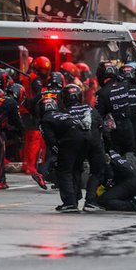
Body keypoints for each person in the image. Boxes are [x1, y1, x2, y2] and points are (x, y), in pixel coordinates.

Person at [45, 82, 105, 213]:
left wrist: (58, 150)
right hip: (94, 143)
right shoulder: (90, 109)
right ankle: (90, 201)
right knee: (96, 171)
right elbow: (102, 127)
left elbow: (57, 134)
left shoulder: (62, 113)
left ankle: (71, 202)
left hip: (73, 143)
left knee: (67, 170)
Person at [95, 61, 136, 155]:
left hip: (113, 131)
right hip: (129, 126)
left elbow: (98, 117)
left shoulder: (101, 93)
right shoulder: (126, 84)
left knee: (115, 158)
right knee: (130, 155)